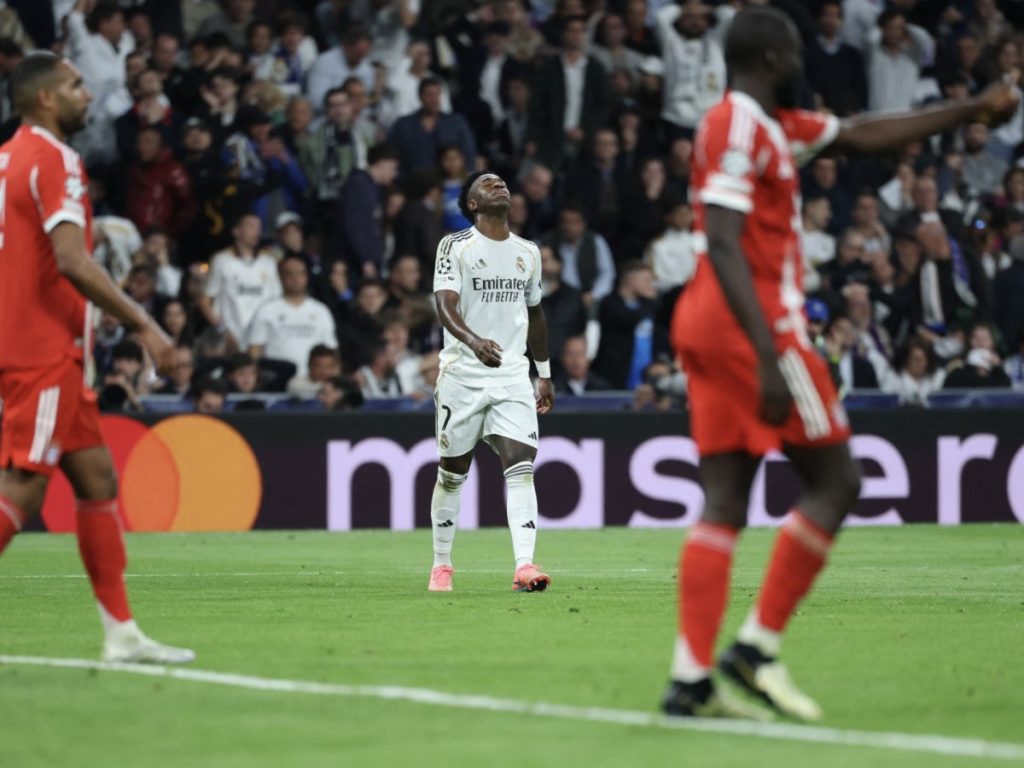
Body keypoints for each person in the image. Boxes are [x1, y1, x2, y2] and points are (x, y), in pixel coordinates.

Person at [662, 6, 1018, 721]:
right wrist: (766, 351)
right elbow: (724, 238)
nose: (805, 65)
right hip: (754, 324)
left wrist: (972, 108)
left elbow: (859, 136)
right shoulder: (736, 125)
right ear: (769, 58)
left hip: (712, 321)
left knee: (725, 496)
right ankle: (756, 648)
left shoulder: (771, 128)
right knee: (838, 476)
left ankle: (691, 680)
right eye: (794, 54)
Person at [0, 52, 193, 664]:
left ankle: (122, 634)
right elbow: (71, 259)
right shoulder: (55, 157)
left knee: (96, 479)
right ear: (46, 98)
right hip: (45, 350)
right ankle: (122, 634)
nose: (89, 94)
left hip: (34, 344)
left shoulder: (6, 159)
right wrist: (147, 324)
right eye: (77, 85)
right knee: (23, 487)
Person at [429, 171, 555, 594]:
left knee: (521, 467)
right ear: (472, 205)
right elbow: (443, 303)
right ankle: (442, 564)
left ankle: (525, 565)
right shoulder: (456, 246)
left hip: (512, 376)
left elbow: (535, 314)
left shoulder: (528, 253)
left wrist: (545, 374)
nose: (499, 184)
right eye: (486, 183)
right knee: (452, 474)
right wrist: (473, 341)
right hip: (463, 376)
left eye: (502, 181)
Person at [247, 254, 337, 377]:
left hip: (313, 381)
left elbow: (331, 351)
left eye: (300, 273)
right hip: (277, 380)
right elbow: (255, 350)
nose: (295, 278)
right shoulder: (267, 310)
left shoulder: (321, 311)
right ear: (280, 277)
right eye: (289, 274)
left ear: (306, 277)